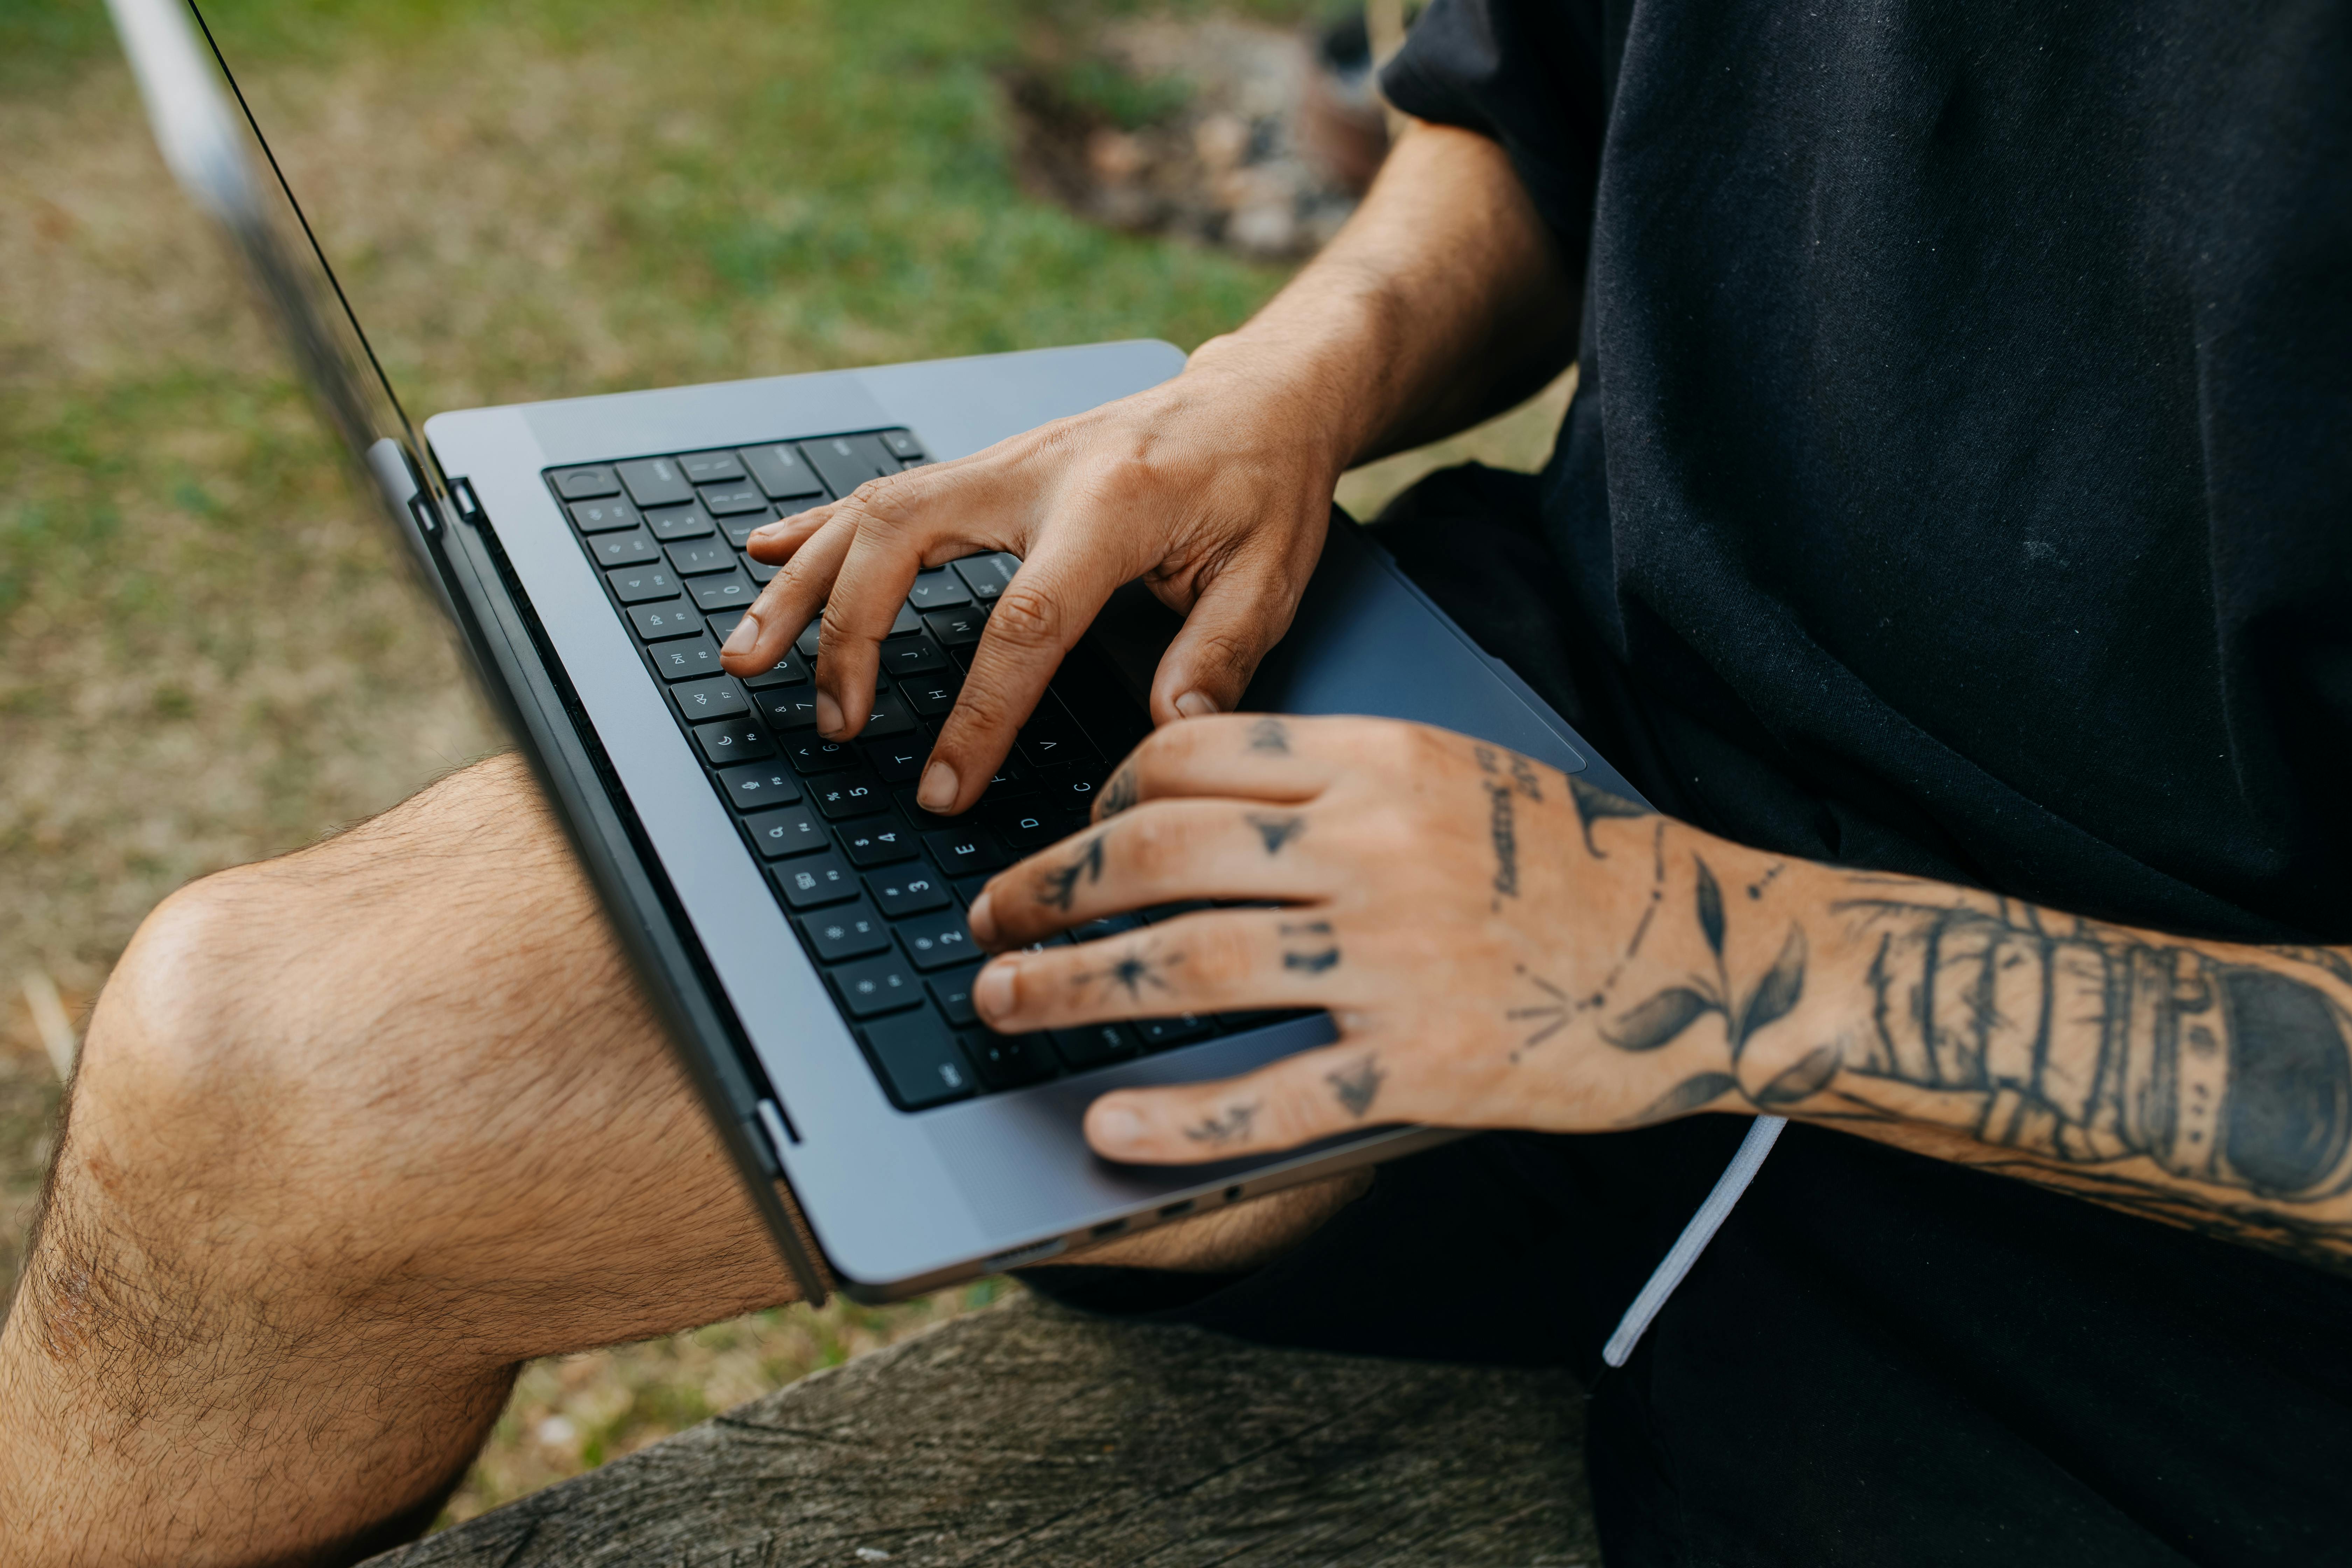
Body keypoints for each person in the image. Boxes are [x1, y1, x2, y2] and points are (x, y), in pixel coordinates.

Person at [5, 0, 2346, 1561]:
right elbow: (1547, 100)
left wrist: (1703, 955)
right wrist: (1288, 368)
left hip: (2156, 1274)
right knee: (264, 1063)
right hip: (1546, 738)